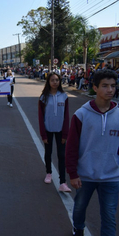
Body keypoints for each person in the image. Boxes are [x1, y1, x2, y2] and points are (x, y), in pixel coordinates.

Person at [65, 69, 119, 236]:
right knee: (80, 208)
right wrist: (73, 173)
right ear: (94, 88)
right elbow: (71, 146)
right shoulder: (81, 115)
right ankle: (78, 229)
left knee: (109, 216)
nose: (110, 90)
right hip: (85, 175)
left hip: (112, 176)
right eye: (105, 86)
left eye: (113, 86)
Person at [38, 72, 71, 192]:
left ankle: (63, 182)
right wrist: (43, 134)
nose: (55, 82)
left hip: (60, 130)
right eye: (52, 80)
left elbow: (66, 116)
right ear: (48, 82)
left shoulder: (64, 96)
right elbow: (41, 117)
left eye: (57, 80)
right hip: (48, 130)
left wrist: (65, 134)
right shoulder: (43, 97)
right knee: (48, 153)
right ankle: (48, 173)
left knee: (62, 155)